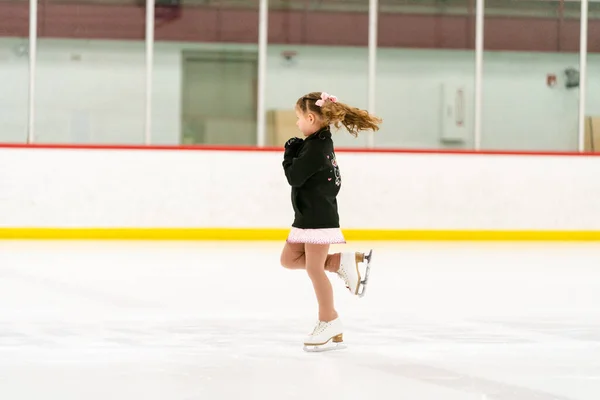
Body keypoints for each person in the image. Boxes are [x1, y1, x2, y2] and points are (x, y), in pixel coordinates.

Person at [280, 91, 382, 351]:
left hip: (316, 217)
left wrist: (289, 154)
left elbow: (294, 177)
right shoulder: (319, 142)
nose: (297, 123)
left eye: (298, 118)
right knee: (288, 260)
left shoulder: (316, 148)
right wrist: (297, 149)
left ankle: (329, 319)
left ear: (311, 117)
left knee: (314, 269)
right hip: (308, 215)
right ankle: (340, 261)